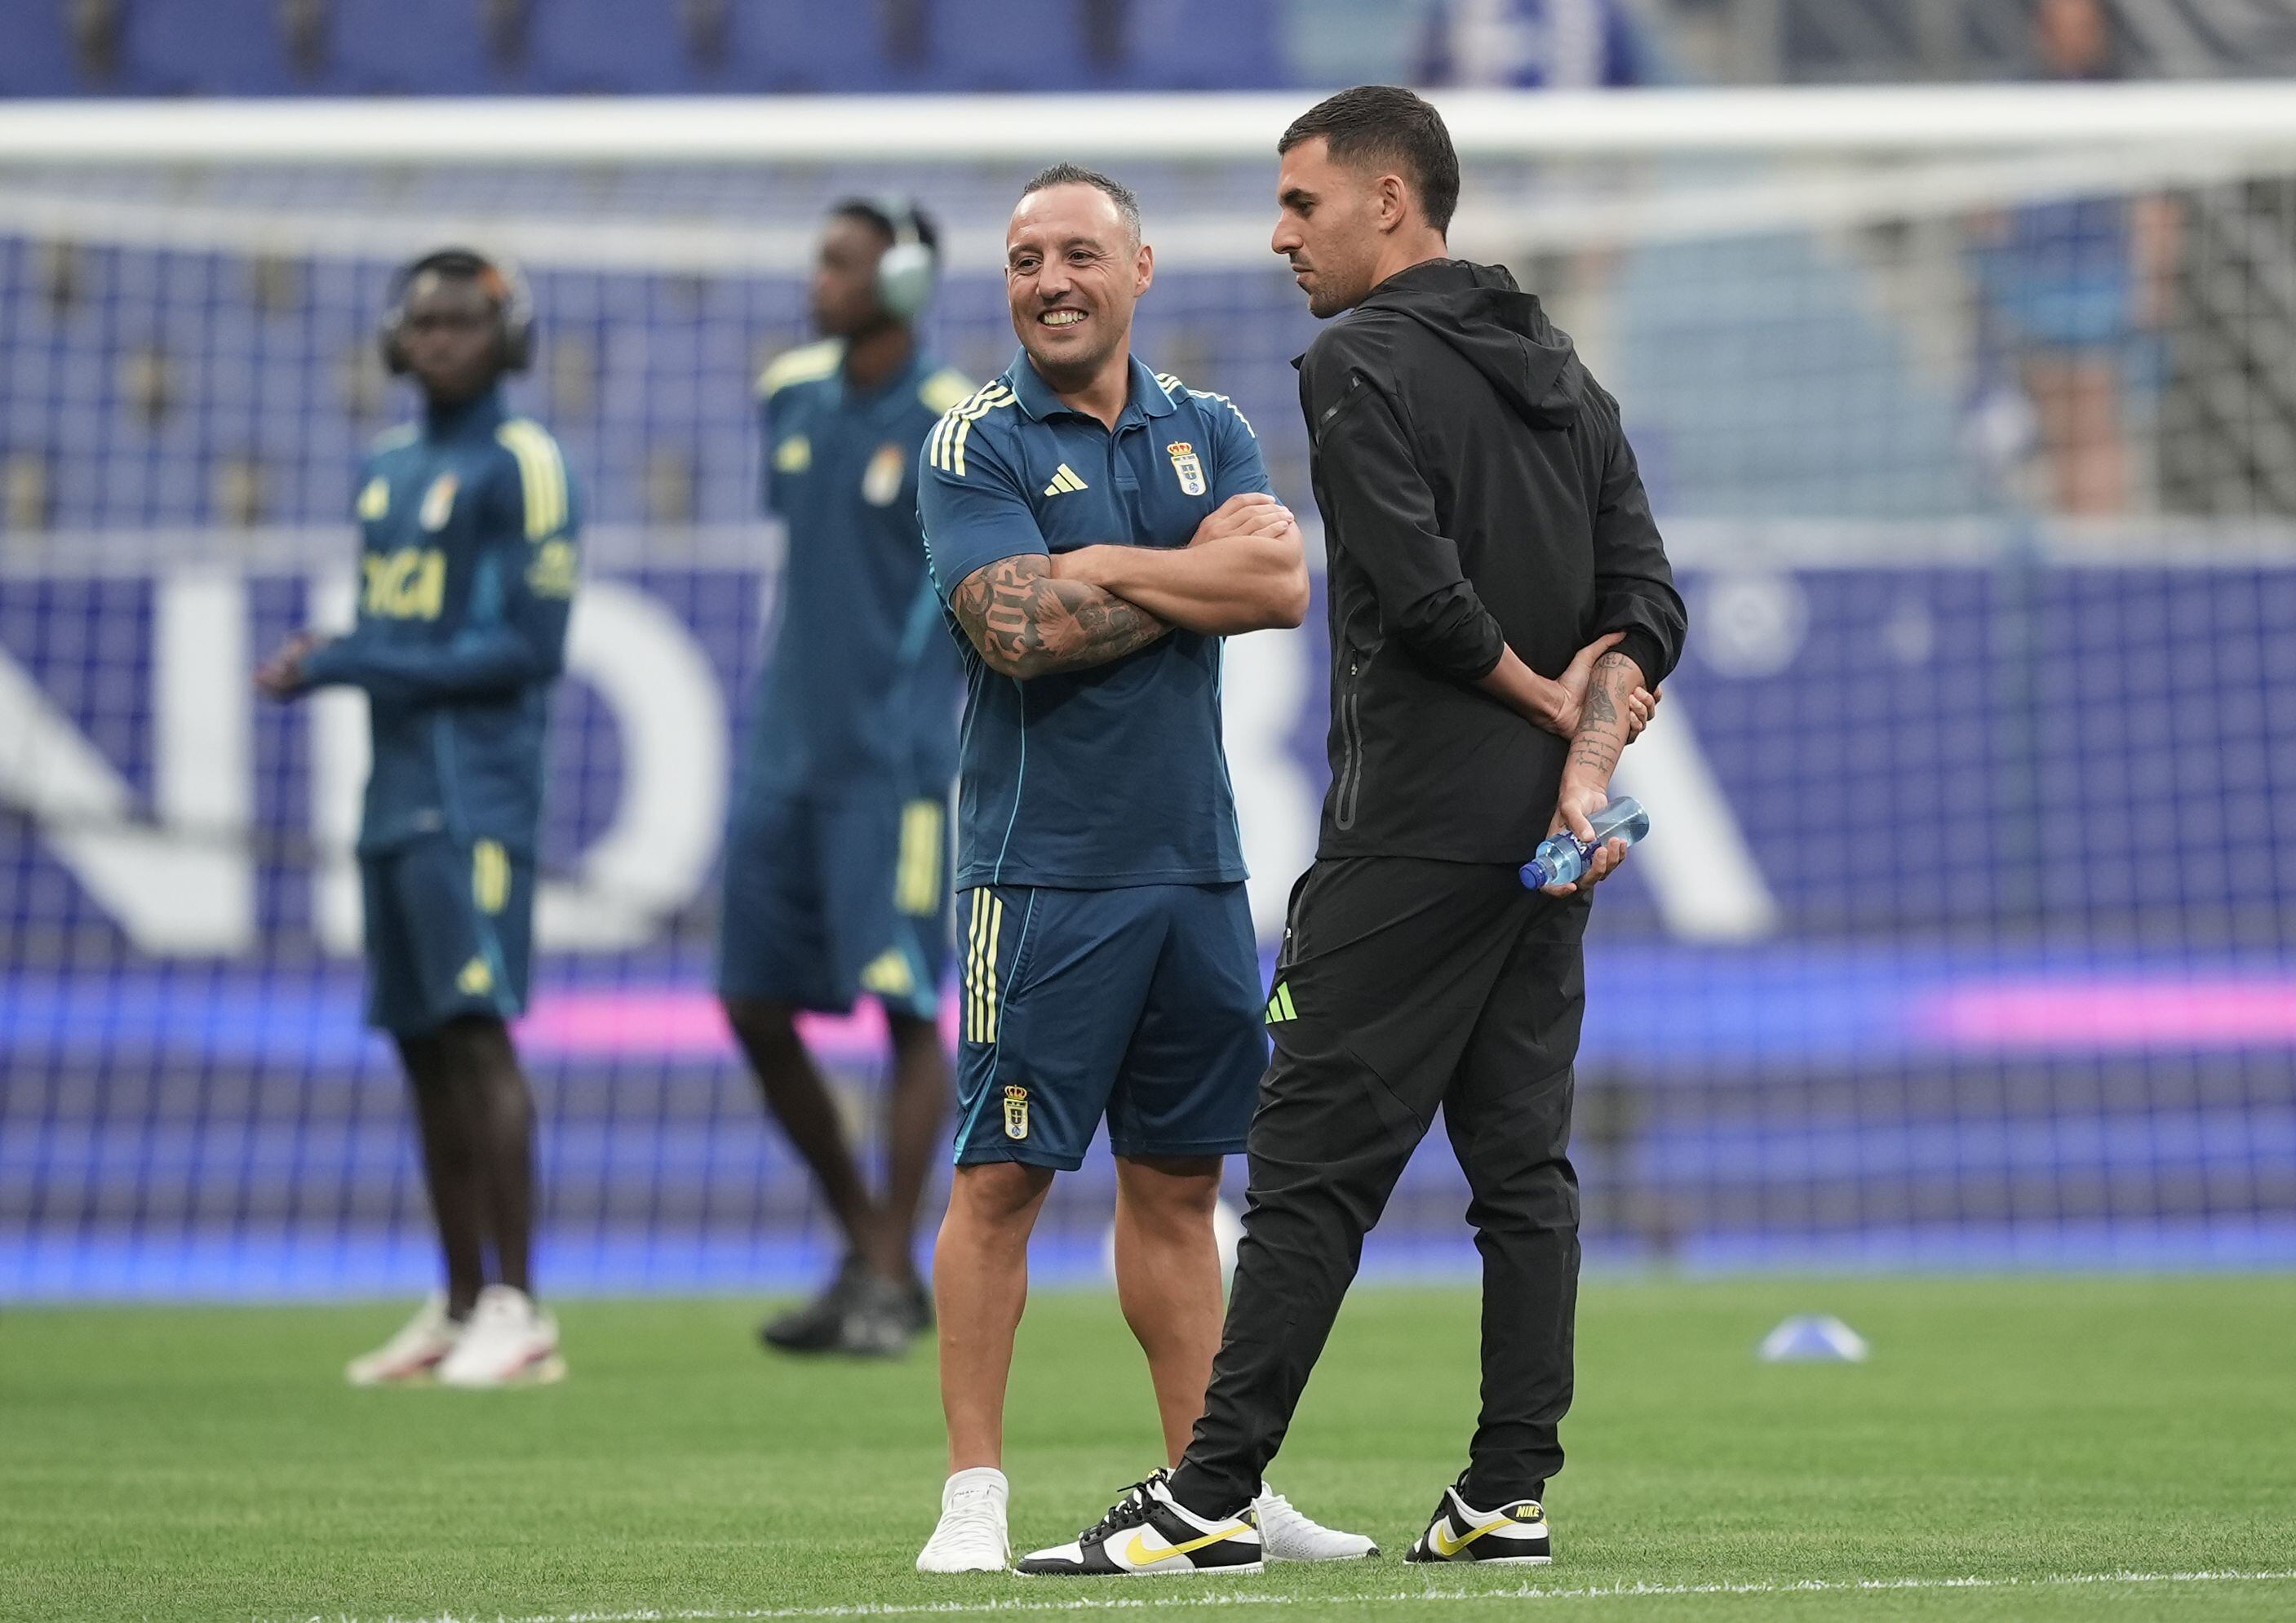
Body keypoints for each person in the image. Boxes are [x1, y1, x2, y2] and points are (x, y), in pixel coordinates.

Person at [1036, 85, 1683, 1574]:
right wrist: (1584, 749)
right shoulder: (1558, 365)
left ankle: (1205, 1497)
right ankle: (1503, 1492)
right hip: (1542, 845)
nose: (1280, 236)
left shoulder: (1357, 362)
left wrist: (1537, 705)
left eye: (1301, 204)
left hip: (1406, 836)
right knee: (1523, 1170)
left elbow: (1420, 596)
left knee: (1311, 1161)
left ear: (1391, 202)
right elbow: (1645, 601)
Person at [910, 164, 1372, 1576]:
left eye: (1076, 255)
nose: (1047, 280)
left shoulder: (1212, 425)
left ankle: (1210, 1488)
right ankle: (972, 1493)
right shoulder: (970, 443)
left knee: (1177, 1186)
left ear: (1141, 269)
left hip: (1193, 871)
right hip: (1036, 875)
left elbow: (1281, 588)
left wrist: (1100, 563)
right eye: (1021, 258)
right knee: (1001, 1182)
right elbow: (1016, 631)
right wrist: (1181, 568)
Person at [257, 247, 578, 1388]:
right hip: (393, 795)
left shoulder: (525, 463)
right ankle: (452, 1301)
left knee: (477, 1031)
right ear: (397, 340)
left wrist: (348, 659)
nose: (440, 340)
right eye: (424, 322)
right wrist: (350, 660)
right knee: (420, 1044)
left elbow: (527, 648)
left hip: (474, 795)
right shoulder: (386, 466)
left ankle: (520, 1305)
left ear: (507, 339)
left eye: (463, 322)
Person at [719, 199, 973, 1358]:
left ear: (905, 283)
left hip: (895, 768)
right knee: (751, 1002)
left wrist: (905, 719)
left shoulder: (952, 422)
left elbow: (958, 592)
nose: (815, 278)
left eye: (840, 261)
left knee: (907, 999)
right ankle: (874, 1249)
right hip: (786, 754)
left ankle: (880, 1266)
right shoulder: (788, 393)